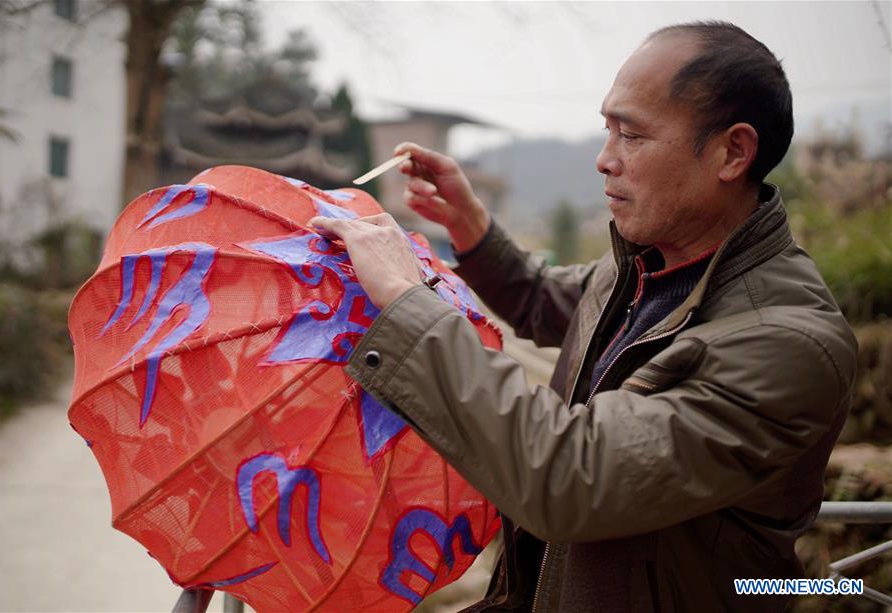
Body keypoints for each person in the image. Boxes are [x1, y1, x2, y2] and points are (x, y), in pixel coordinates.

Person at [311, 21, 858, 612]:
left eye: (633, 136)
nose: (604, 160)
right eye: (607, 130)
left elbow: (572, 478)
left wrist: (403, 298)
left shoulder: (786, 343)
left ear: (732, 152)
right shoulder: (648, 267)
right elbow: (545, 300)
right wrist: (469, 225)